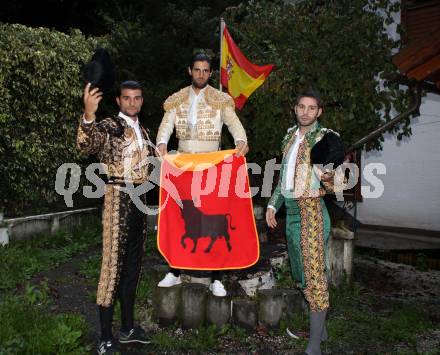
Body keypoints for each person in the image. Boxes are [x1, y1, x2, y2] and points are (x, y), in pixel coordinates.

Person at [155, 53, 249, 297]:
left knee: (212, 218)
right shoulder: (177, 99)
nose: (201, 74)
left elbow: (233, 123)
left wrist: (240, 140)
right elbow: (166, 125)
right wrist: (162, 144)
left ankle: (216, 277)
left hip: (212, 166)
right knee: (179, 217)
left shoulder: (220, 99)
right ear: (190, 71)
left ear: (210, 73)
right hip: (183, 165)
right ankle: (174, 271)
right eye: (197, 70)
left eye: (205, 71)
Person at [266, 90, 344, 355]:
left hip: (312, 212)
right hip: (290, 211)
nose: (306, 112)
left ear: (319, 111)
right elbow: (283, 178)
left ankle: (314, 347)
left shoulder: (327, 138)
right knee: (301, 272)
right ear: (295, 108)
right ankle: (320, 332)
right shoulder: (289, 136)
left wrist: (329, 176)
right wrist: (272, 205)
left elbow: (338, 185)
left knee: (314, 277)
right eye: (302, 107)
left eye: (312, 108)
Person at [77, 80, 152, 354]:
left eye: (137, 98)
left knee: (133, 267)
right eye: (127, 98)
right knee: (112, 268)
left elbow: (159, 161)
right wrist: (88, 115)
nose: (132, 103)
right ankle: (105, 337)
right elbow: (86, 145)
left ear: (141, 101)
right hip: (117, 197)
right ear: (119, 101)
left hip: (140, 199)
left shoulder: (143, 130)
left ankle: (128, 327)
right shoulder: (110, 125)